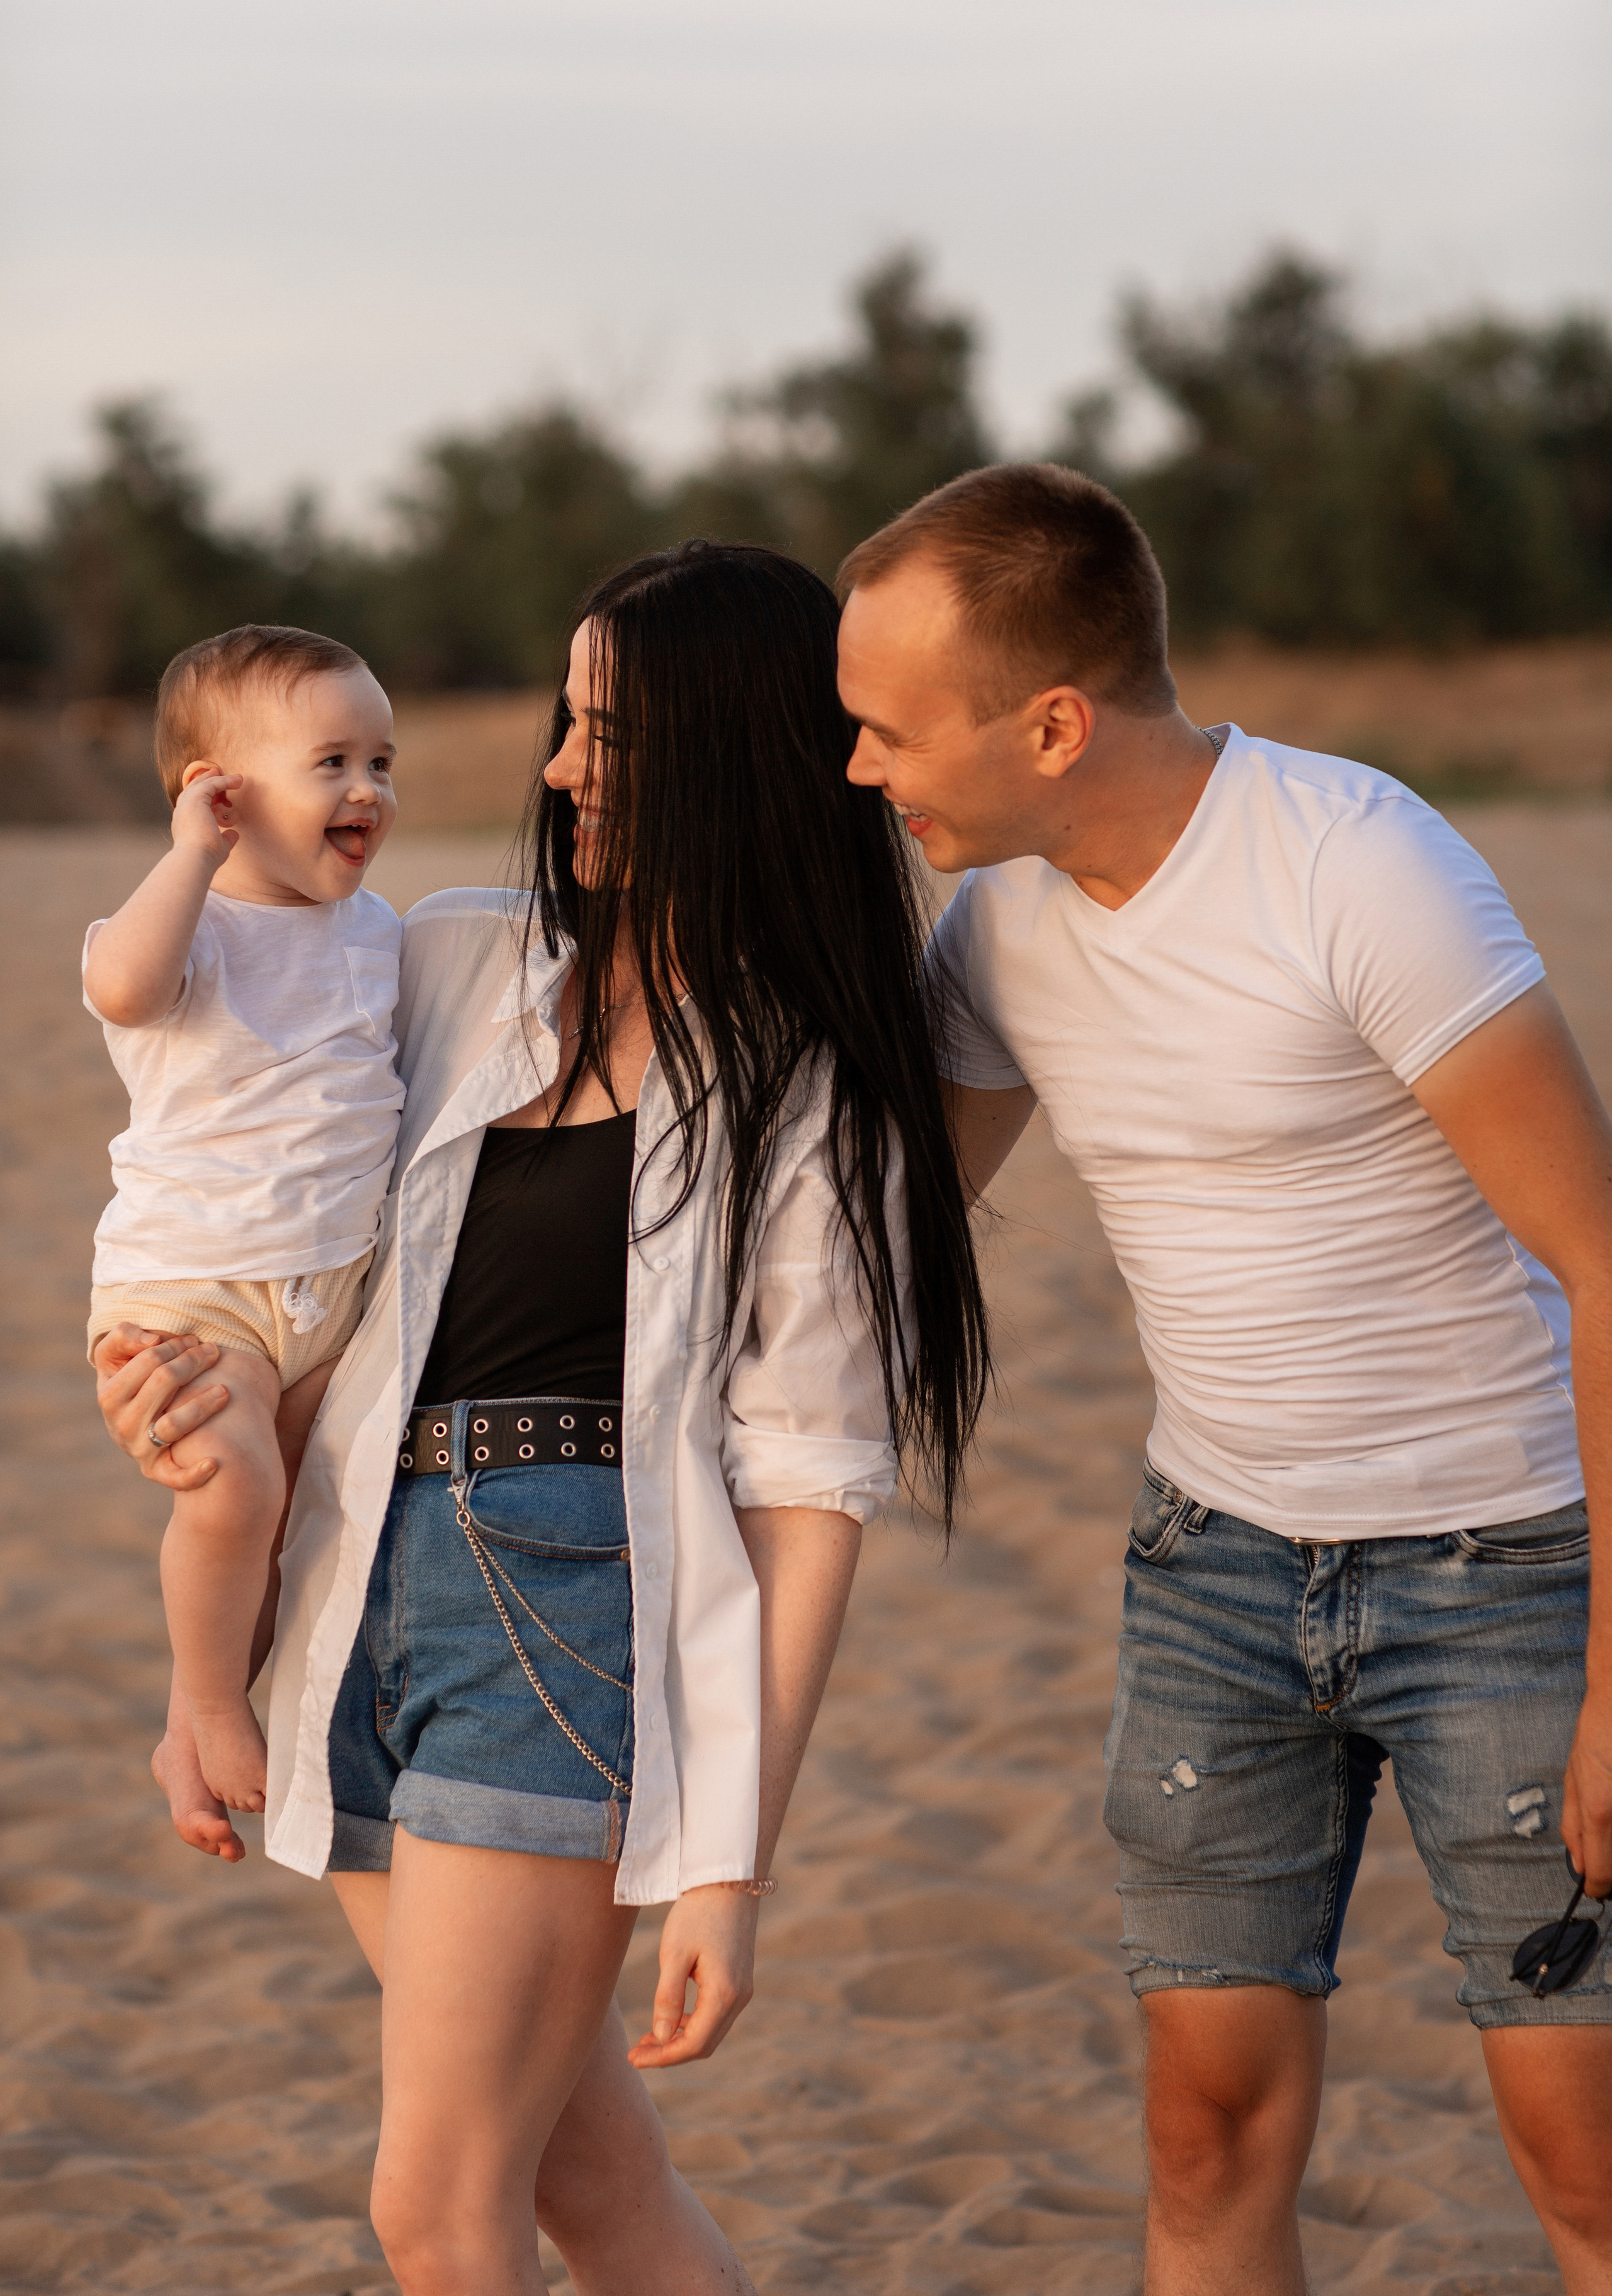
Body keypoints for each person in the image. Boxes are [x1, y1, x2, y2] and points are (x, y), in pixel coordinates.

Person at [96, 541, 989, 2296]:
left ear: (729, 755)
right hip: (352, 1600)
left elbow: (811, 1491)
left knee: (433, 2214)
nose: (562, 769)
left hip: (569, 1636)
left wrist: (729, 1861)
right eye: (568, 725)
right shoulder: (443, 961)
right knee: (595, 2189)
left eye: (610, 735)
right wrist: (189, 1432)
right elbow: (261, 1210)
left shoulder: (807, 1075)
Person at [835, 463, 1612, 2295]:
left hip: (1504, 1573)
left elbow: (1605, 1256)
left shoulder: (1359, 865)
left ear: (1050, 720)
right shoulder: (1001, 924)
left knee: (1581, 2162)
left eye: (887, 730)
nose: (864, 770)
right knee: (1206, 2132)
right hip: (1217, 1576)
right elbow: (880, 1233)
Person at [83, 625, 402, 1826]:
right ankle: (216, 1707)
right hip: (198, 1289)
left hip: (333, 1290)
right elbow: (122, 988)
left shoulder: (377, 934)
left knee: (288, 1524)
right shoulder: (191, 929)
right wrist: (185, 859)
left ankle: (187, 1722)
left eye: (380, 760)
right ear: (217, 792)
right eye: (331, 762)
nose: (367, 788)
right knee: (230, 1488)